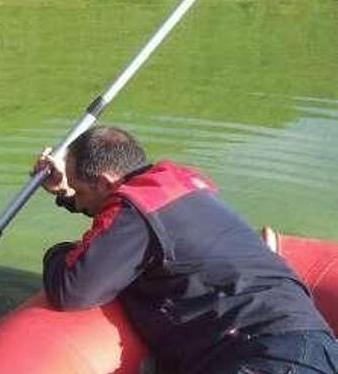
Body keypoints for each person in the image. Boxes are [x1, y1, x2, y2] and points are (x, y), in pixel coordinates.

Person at [33, 125, 338, 374]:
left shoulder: (134, 213)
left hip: (262, 355)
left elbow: (72, 290)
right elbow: (114, 214)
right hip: (315, 345)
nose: (80, 201)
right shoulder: (180, 188)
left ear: (103, 181)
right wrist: (67, 193)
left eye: (81, 191)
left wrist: (58, 252)